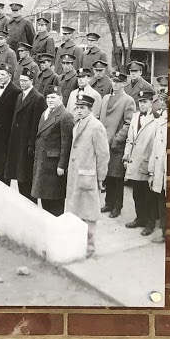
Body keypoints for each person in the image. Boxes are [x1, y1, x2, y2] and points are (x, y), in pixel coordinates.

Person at [66, 90, 109, 259]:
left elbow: (103, 154)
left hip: (88, 177)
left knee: (89, 215)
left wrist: (101, 178)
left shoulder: (96, 126)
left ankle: (90, 249)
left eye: (83, 107)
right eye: (77, 107)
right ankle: (76, 246)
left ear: (90, 109)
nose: (79, 110)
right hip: (76, 175)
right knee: (75, 213)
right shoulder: (78, 124)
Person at [99, 70, 136, 219]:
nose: (115, 84)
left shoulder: (128, 100)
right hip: (103, 143)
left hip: (116, 145)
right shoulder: (106, 98)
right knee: (107, 175)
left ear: (124, 84)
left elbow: (129, 123)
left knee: (116, 177)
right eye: (113, 81)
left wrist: (117, 138)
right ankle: (108, 203)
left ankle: (117, 206)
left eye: (118, 82)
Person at [123, 89, 161, 234]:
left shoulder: (157, 120)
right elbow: (129, 139)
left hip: (147, 162)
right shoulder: (135, 117)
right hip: (134, 161)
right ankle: (140, 218)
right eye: (140, 102)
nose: (142, 105)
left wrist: (152, 166)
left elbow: (156, 144)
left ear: (151, 102)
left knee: (149, 195)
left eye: (145, 102)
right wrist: (126, 156)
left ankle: (150, 223)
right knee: (136, 193)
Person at [33, 89, 74, 217]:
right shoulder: (45, 113)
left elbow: (66, 143)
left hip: (54, 165)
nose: (50, 100)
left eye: (53, 97)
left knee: (54, 200)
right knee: (45, 199)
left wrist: (62, 165)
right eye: (48, 97)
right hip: (43, 161)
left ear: (61, 98)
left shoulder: (65, 115)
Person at [6, 71, 46, 201]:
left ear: (31, 81)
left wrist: (31, 144)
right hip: (18, 141)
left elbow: (37, 124)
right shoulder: (20, 96)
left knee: (26, 178)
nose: (21, 83)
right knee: (19, 177)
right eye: (20, 80)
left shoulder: (37, 98)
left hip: (27, 144)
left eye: (25, 80)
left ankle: (30, 206)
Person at [148, 95, 167, 243]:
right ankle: (164, 234)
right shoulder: (161, 122)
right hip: (161, 169)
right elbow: (155, 148)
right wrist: (152, 171)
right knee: (161, 198)